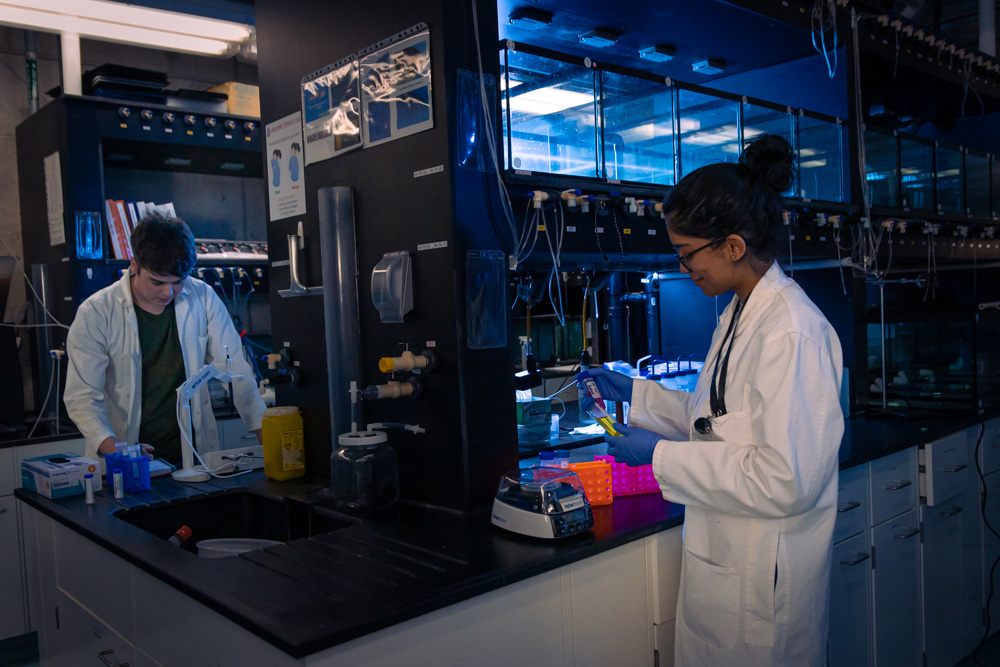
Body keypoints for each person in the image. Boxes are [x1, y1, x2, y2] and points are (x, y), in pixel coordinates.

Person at [580, 135, 844, 667]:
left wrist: (657, 457)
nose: (683, 267)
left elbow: (784, 479)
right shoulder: (739, 313)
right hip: (725, 566)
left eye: (686, 253)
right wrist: (633, 392)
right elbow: (714, 420)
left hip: (760, 583)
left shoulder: (792, 332)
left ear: (733, 246)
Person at [64, 216, 266, 465]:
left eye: (178, 282)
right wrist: (115, 450)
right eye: (157, 282)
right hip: (125, 462)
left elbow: (234, 369)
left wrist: (265, 436)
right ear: (134, 265)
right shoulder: (96, 312)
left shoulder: (202, 296)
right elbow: (82, 396)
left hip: (195, 459)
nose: (167, 292)